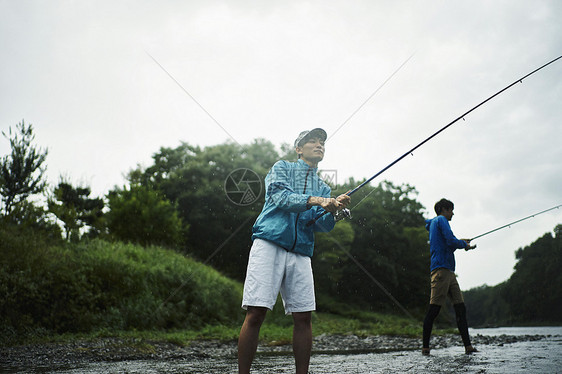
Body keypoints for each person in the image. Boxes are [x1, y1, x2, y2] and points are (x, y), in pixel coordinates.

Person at [237, 128, 351, 374]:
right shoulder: (282, 168)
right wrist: (318, 201)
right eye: (312, 140)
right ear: (299, 148)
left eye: (322, 142)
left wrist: (335, 210)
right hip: (269, 243)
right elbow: (281, 198)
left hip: (300, 252)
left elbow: (321, 224)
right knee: (256, 313)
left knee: (303, 317)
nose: (319, 144)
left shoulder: (322, 186)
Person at [422, 198, 478, 355]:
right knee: (434, 310)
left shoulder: (435, 223)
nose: (452, 213)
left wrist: (461, 243)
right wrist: (463, 244)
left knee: (460, 308)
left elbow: (447, 243)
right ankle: (425, 348)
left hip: (448, 272)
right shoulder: (441, 220)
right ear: (443, 210)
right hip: (441, 271)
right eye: (450, 210)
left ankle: (468, 347)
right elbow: (450, 240)